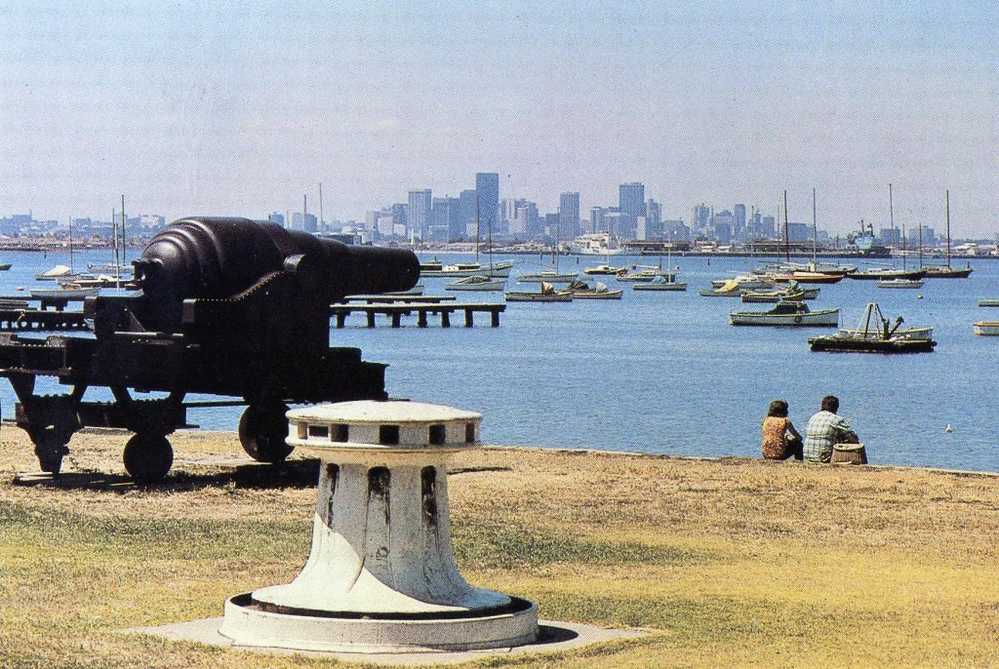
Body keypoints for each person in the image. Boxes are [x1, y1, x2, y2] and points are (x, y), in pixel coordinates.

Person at [802, 395, 858, 463]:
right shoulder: (836, 419)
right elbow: (853, 439)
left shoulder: (813, 417)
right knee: (847, 439)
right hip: (822, 458)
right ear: (836, 408)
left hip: (807, 457)